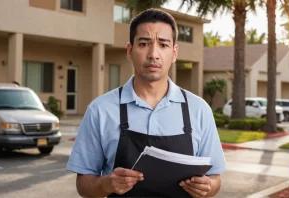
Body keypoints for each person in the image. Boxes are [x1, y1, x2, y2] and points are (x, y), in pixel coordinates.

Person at [66, 8, 226, 198]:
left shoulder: (199, 110)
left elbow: (214, 180)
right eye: (144, 43)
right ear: (129, 50)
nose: (153, 54)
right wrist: (106, 184)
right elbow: (84, 185)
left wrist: (207, 187)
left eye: (163, 45)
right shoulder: (100, 110)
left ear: (174, 53)